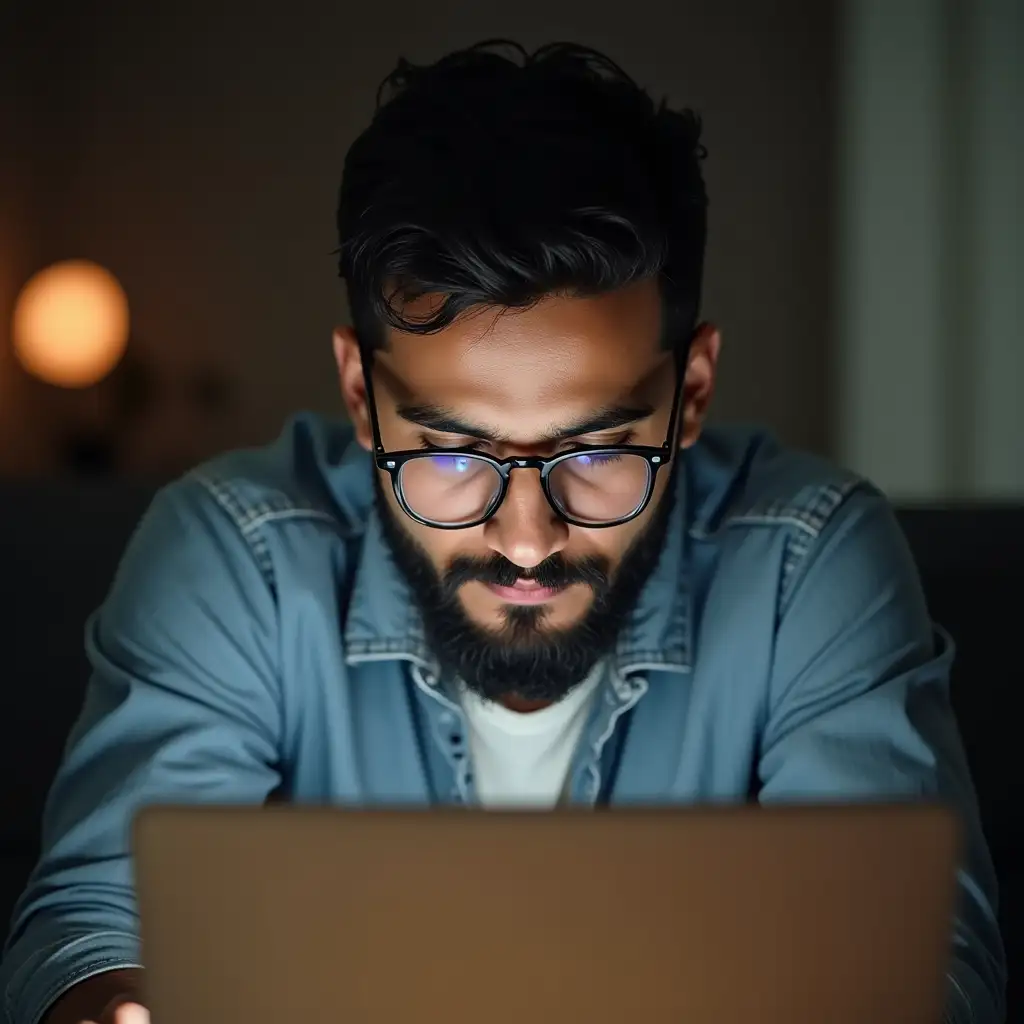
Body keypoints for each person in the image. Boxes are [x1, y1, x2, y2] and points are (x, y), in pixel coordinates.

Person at [0, 40, 1005, 1024]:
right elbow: (94, 923)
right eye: (449, 455)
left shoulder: (807, 562)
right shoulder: (232, 553)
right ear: (362, 393)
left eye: (596, 451)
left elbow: (925, 973)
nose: (526, 538)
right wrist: (110, 1002)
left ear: (690, 391)